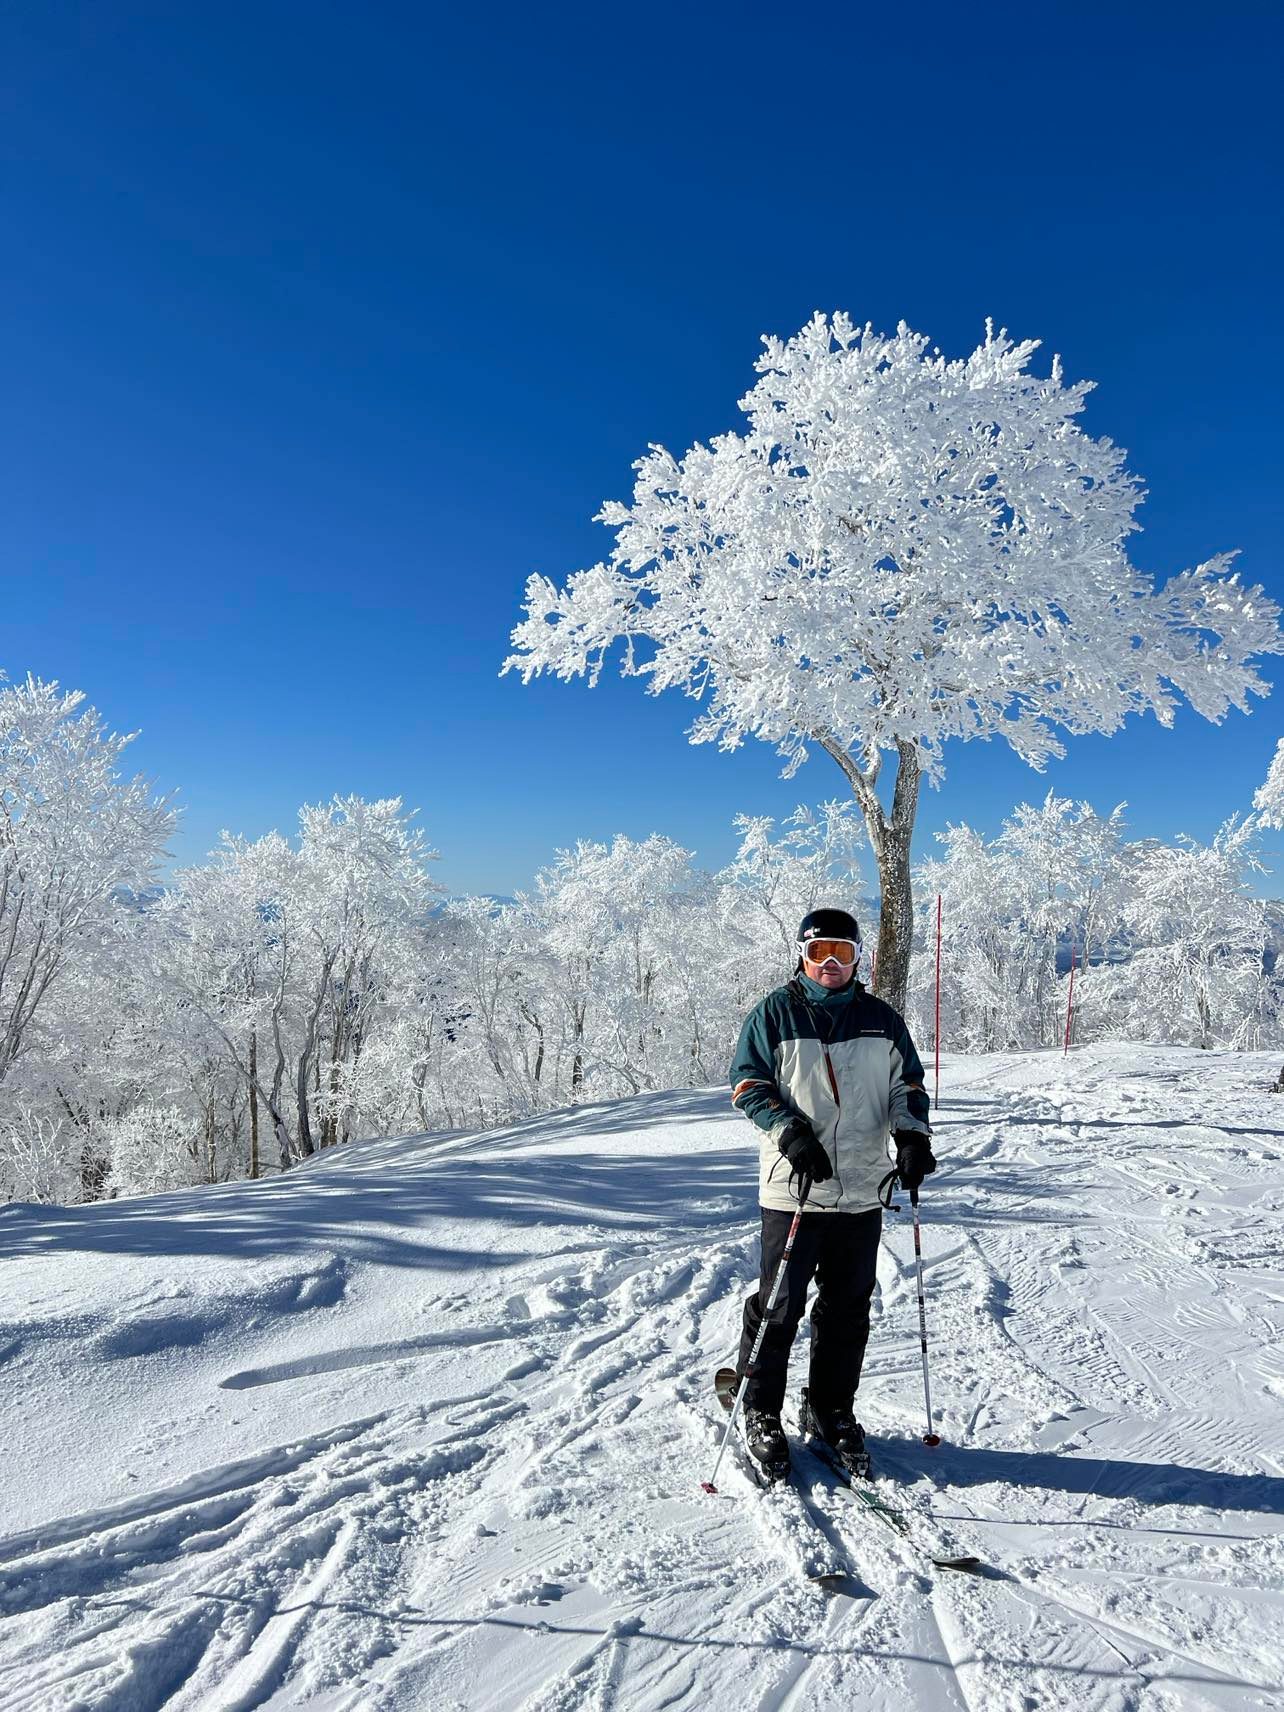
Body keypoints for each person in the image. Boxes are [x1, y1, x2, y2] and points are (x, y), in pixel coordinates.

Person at [728, 907, 935, 1480]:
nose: (831, 965)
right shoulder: (775, 1012)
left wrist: (912, 1137)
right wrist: (789, 1132)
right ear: (802, 953)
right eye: (821, 954)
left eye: (843, 954)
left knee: (848, 1308)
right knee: (779, 1305)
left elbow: (907, 1085)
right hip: (795, 1186)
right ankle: (761, 1410)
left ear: (857, 958)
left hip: (863, 1187)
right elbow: (748, 1083)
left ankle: (829, 1408)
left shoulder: (880, 1018)